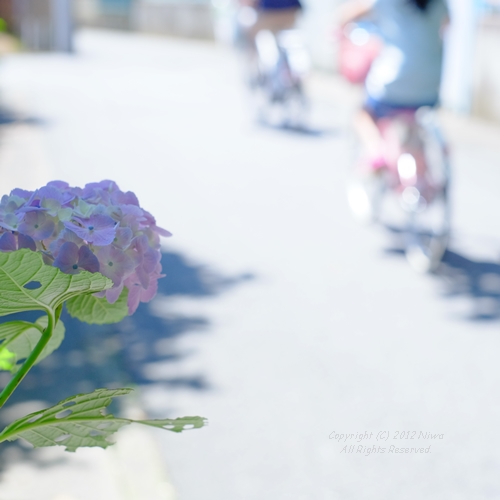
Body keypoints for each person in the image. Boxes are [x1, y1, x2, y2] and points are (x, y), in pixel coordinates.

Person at [338, 0, 449, 169]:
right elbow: (448, 23)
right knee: (415, 123)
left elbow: (347, 15)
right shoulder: (439, 3)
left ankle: (376, 152)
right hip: (431, 83)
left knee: (363, 114)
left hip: (394, 81)